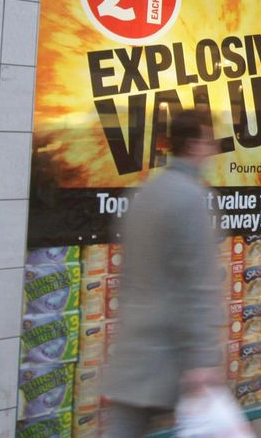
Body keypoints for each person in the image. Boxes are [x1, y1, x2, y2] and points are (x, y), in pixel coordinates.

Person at [103, 108, 223, 437]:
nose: (213, 150)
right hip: (171, 353)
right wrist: (202, 357)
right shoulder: (193, 199)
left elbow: (128, 275)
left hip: (133, 350)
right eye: (210, 142)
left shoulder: (141, 196)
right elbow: (198, 286)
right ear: (195, 144)